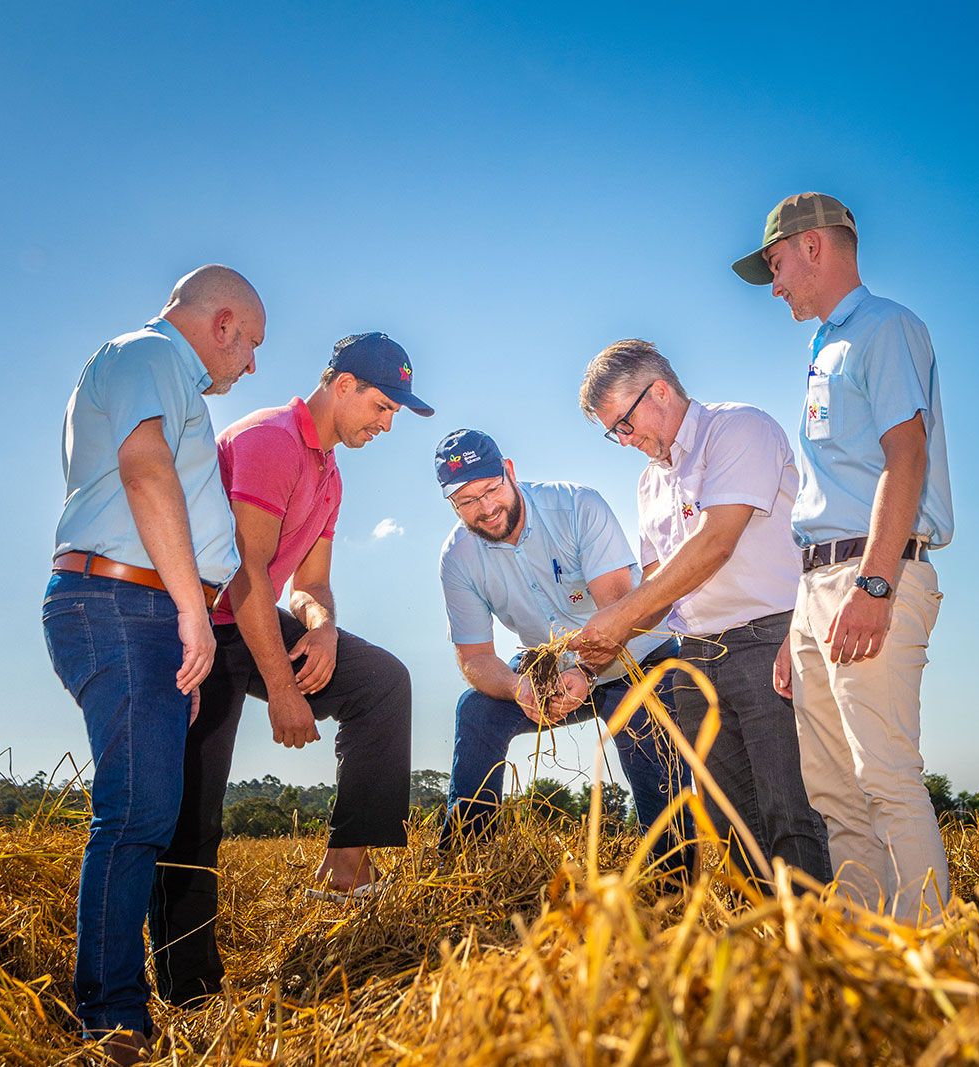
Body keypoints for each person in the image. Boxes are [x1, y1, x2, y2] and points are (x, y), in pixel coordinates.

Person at [148, 333, 431, 1007]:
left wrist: (321, 624)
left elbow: (312, 583)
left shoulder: (331, 472)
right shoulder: (273, 440)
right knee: (195, 816)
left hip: (252, 621)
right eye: (383, 405)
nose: (387, 422)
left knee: (380, 681)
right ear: (341, 385)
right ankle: (192, 996)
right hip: (198, 628)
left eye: (395, 411)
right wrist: (281, 688)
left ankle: (347, 868)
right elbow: (245, 575)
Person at [41, 265, 262, 1060]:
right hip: (122, 604)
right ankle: (112, 1018)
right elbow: (145, 470)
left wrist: (183, 624)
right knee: (135, 810)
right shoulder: (148, 354)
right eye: (253, 345)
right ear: (224, 322)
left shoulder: (173, 381)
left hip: (145, 610)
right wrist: (192, 615)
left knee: (149, 806)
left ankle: (118, 1002)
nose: (252, 365)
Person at [732, 192, 955, 922]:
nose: (776, 284)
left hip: (871, 573)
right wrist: (803, 622)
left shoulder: (884, 327)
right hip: (821, 584)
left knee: (884, 776)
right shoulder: (823, 345)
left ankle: (932, 953)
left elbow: (906, 453)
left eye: (776, 263)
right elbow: (830, 492)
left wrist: (876, 582)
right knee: (832, 791)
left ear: (814, 246)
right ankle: (868, 958)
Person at [571, 339, 832, 891]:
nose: (624, 440)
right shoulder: (649, 481)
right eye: (612, 431)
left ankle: (820, 949)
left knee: (791, 810)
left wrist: (618, 620)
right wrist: (594, 651)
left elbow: (716, 543)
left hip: (770, 640)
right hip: (695, 659)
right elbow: (659, 586)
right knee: (730, 824)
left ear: (659, 390)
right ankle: (767, 948)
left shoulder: (738, 429)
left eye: (623, 422)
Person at [433, 428, 692, 876]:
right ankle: (465, 867)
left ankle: (672, 882)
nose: (486, 508)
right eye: (467, 501)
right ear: (452, 505)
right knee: (476, 710)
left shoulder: (576, 506)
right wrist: (520, 688)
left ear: (509, 472)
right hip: (552, 667)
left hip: (634, 654)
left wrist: (587, 675)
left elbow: (618, 614)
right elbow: (475, 658)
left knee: (641, 733)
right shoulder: (458, 558)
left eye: (491, 489)